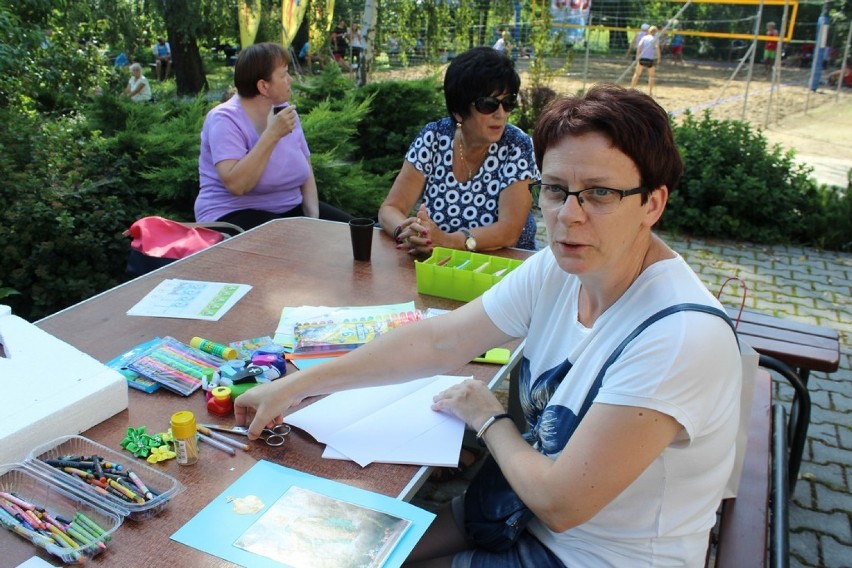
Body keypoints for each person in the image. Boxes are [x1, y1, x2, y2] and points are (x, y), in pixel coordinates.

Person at [233, 83, 742, 566]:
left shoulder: (677, 337)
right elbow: (439, 341)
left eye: (600, 193)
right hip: (514, 513)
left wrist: (488, 418)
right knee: (339, 554)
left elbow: (561, 504)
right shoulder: (561, 269)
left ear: (652, 203)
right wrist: (294, 388)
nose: (568, 215)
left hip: (583, 553)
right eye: (556, 190)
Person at [378, 47, 538, 256]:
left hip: (506, 271)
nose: (501, 114)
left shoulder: (517, 146)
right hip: (440, 264)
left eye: (508, 103)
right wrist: (407, 231)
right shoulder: (434, 137)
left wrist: (449, 241)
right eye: (488, 104)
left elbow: (508, 231)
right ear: (458, 111)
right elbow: (389, 209)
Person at [194, 42, 353, 231]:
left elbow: (306, 172)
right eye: (284, 74)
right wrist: (272, 135)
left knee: (359, 231)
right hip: (231, 214)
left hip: (288, 209)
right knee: (290, 239)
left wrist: (314, 219)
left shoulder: (285, 112)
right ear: (263, 86)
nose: (290, 80)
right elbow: (237, 185)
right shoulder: (224, 119)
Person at [630, 25, 661, 96]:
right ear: (655, 32)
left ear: (649, 31)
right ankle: (650, 92)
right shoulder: (655, 39)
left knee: (637, 74)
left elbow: (639, 46)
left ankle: (631, 89)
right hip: (650, 59)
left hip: (642, 58)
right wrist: (659, 58)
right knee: (651, 76)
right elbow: (657, 49)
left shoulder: (644, 38)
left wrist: (638, 56)